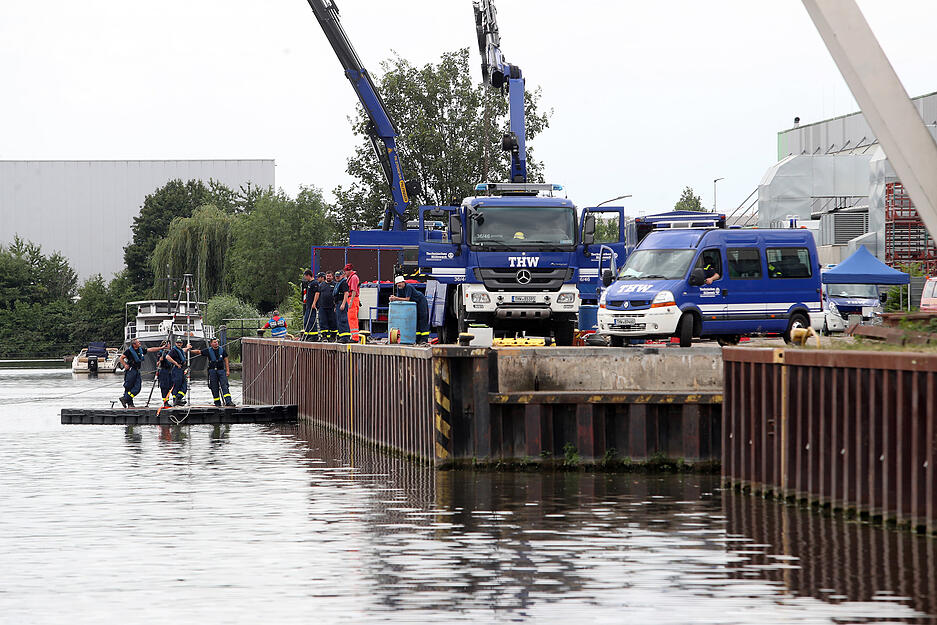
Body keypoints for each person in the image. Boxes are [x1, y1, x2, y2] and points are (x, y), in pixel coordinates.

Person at [189, 338, 235, 407]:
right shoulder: (208, 351)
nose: (216, 343)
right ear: (211, 344)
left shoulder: (222, 350)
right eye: (214, 342)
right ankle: (217, 402)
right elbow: (199, 352)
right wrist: (189, 351)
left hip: (221, 371)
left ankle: (228, 401)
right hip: (212, 371)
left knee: (225, 386)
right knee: (214, 387)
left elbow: (226, 360)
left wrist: (228, 370)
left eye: (216, 342)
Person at [389, 275, 430, 343]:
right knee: (416, 320)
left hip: (421, 301)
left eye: (399, 283)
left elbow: (407, 299)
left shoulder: (408, 287)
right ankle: (418, 339)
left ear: (403, 282)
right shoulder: (400, 288)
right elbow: (400, 299)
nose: (398, 285)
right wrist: (393, 299)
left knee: (423, 319)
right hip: (414, 303)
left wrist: (395, 298)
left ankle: (424, 339)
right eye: (397, 284)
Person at [118, 338, 146, 408]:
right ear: (134, 344)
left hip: (137, 370)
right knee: (128, 387)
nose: (140, 343)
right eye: (138, 342)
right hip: (131, 370)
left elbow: (150, 349)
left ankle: (125, 399)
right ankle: (130, 403)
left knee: (137, 388)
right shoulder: (129, 351)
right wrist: (125, 365)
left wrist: (161, 348)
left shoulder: (140, 350)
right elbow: (121, 358)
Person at [154, 339, 182, 409]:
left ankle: (175, 400)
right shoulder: (161, 353)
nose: (167, 346)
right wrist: (160, 360)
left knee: (172, 385)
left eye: (168, 345)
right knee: (164, 387)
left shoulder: (171, 352)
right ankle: (165, 402)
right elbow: (157, 364)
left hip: (171, 371)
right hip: (164, 371)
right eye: (165, 345)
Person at [315, 271, 337, 341]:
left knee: (332, 322)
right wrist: (315, 303)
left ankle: (332, 337)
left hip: (332, 307)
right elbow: (317, 294)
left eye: (330, 276)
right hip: (322, 307)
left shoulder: (335, 284)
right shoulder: (321, 285)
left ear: (332, 277)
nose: (328, 277)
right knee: (323, 322)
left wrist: (336, 305)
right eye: (327, 276)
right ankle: (324, 336)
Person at [169, 338, 190, 406]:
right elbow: (167, 357)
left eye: (180, 343)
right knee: (177, 385)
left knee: (184, 385)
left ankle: (179, 398)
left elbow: (183, 350)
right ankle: (175, 400)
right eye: (177, 342)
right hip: (176, 369)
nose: (179, 344)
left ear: (182, 344)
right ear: (175, 343)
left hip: (181, 369)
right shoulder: (173, 350)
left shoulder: (180, 350)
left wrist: (187, 348)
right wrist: (176, 363)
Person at [343, 263, 360, 342]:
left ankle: (355, 337)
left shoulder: (353, 278)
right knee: (350, 318)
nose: (345, 272)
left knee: (352, 318)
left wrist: (351, 302)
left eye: (346, 271)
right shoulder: (350, 277)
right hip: (350, 299)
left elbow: (354, 290)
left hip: (352, 299)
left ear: (350, 271)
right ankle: (352, 336)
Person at [334, 269, 352, 343]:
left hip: (342, 303)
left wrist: (343, 304)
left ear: (342, 275)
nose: (337, 277)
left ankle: (345, 337)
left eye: (339, 276)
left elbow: (346, 293)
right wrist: (335, 306)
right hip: (338, 303)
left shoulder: (343, 283)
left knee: (343, 320)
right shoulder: (337, 283)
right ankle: (341, 336)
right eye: (336, 276)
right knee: (339, 320)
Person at [301, 269, 319, 341]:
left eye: (305, 276)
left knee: (311, 320)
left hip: (312, 305)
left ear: (308, 275)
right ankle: (307, 335)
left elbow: (317, 293)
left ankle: (314, 336)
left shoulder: (314, 283)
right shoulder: (309, 283)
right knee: (306, 321)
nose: (305, 278)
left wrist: (314, 303)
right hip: (308, 305)